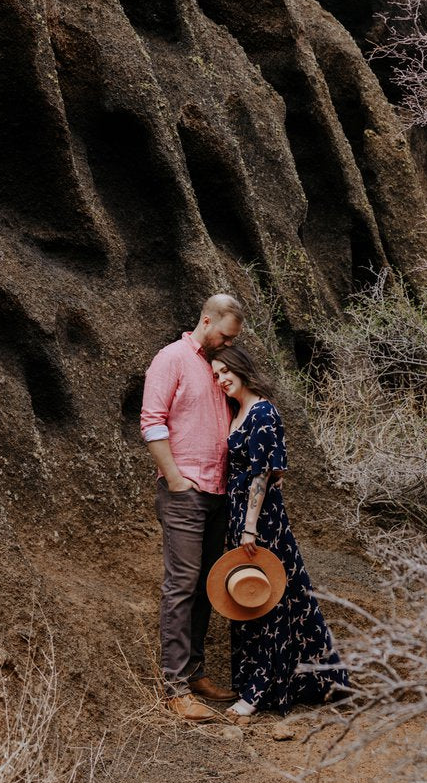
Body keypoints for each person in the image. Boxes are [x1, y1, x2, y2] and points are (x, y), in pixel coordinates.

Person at [209, 343, 348, 720]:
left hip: (261, 520)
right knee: (277, 596)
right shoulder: (237, 411)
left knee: (267, 600)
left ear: (241, 368)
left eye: (226, 371)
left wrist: (250, 527)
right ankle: (319, 680)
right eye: (216, 374)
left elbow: (262, 475)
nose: (221, 379)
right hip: (240, 515)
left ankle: (258, 690)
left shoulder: (263, 412)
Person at [140, 293, 245, 722]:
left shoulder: (217, 366)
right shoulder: (172, 358)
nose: (229, 343)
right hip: (185, 492)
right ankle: (175, 688)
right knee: (181, 585)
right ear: (206, 321)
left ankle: (196, 673)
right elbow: (152, 421)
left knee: (205, 584)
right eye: (225, 335)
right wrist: (175, 479)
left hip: (218, 493)